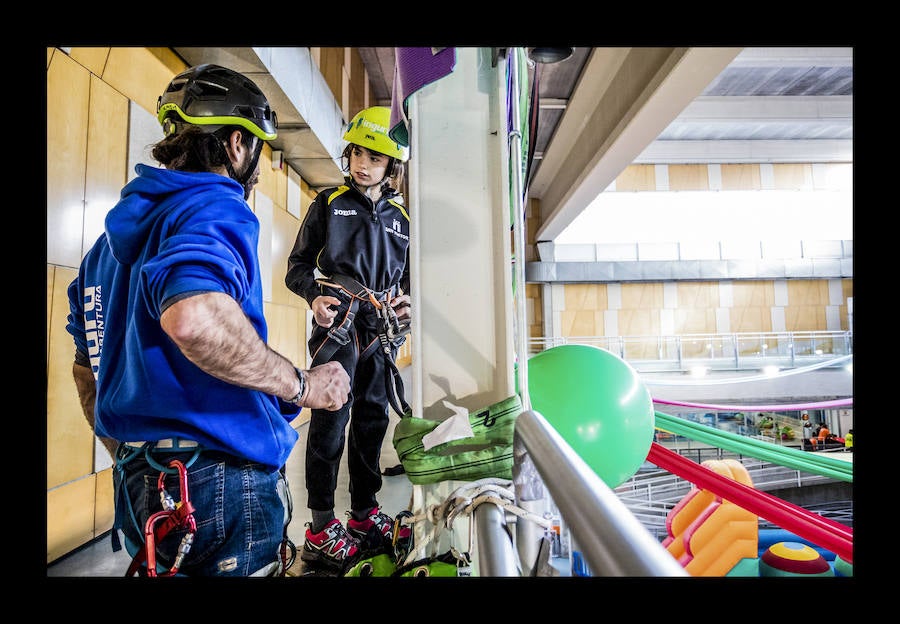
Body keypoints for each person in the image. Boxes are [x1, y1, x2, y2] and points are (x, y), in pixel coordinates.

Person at [66, 64, 351, 577]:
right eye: (258, 151)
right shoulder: (215, 206)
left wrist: (132, 449)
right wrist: (304, 385)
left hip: (140, 482)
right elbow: (194, 318)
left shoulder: (103, 252)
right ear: (238, 144)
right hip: (219, 483)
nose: (257, 168)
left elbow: (87, 371)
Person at [285, 105, 412, 573]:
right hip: (337, 328)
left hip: (380, 332)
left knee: (372, 424)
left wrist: (408, 304)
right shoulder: (329, 204)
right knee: (329, 425)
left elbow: (411, 284)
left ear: (390, 166)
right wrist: (314, 297)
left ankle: (363, 515)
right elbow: (296, 268)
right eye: (357, 153)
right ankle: (320, 527)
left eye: (374, 158)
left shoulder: (401, 219)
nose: (362, 163)